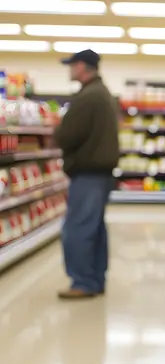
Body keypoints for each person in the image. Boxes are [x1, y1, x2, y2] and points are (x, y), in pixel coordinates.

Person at [54, 49, 119, 299]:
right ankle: (94, 279)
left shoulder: (89, 97)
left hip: (89, 173)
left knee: (78, 228)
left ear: (82, 66)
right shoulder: (101, 94)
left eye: (72, 65)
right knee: (94, 228)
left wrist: (57, 130)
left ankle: (82, 282)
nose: (70, 69)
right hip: (100, 173)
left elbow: (68, 135)